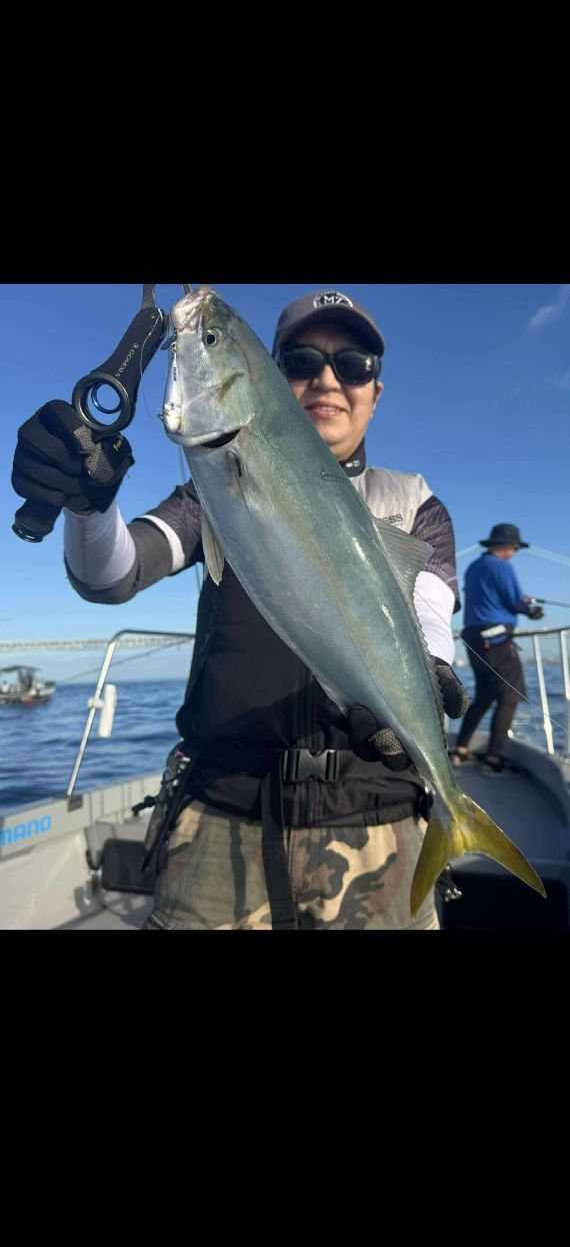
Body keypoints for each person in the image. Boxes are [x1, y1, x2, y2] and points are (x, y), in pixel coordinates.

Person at [12, 286, 468, 930]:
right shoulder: (210, 482)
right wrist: (88, 505)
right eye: (303, 361)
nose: (328, 379)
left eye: (355, 364)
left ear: (377, 391)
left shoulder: (414, 502)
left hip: (379, 819)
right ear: (274, 378)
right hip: (222, 818)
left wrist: (430, 667)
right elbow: (112, 573)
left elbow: (430, 610)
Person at [450, 523, 544, 775]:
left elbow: (491, 598)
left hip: (473, 639)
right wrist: (532, 610)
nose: (514, 553)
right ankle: (493, 759)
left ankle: (460, 750)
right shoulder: (502, 567)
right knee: (510, 696)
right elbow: (515, 602)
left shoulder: (473, 568)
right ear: (507, 547)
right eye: (514, 548)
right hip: (497, 641)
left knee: (484, 695)